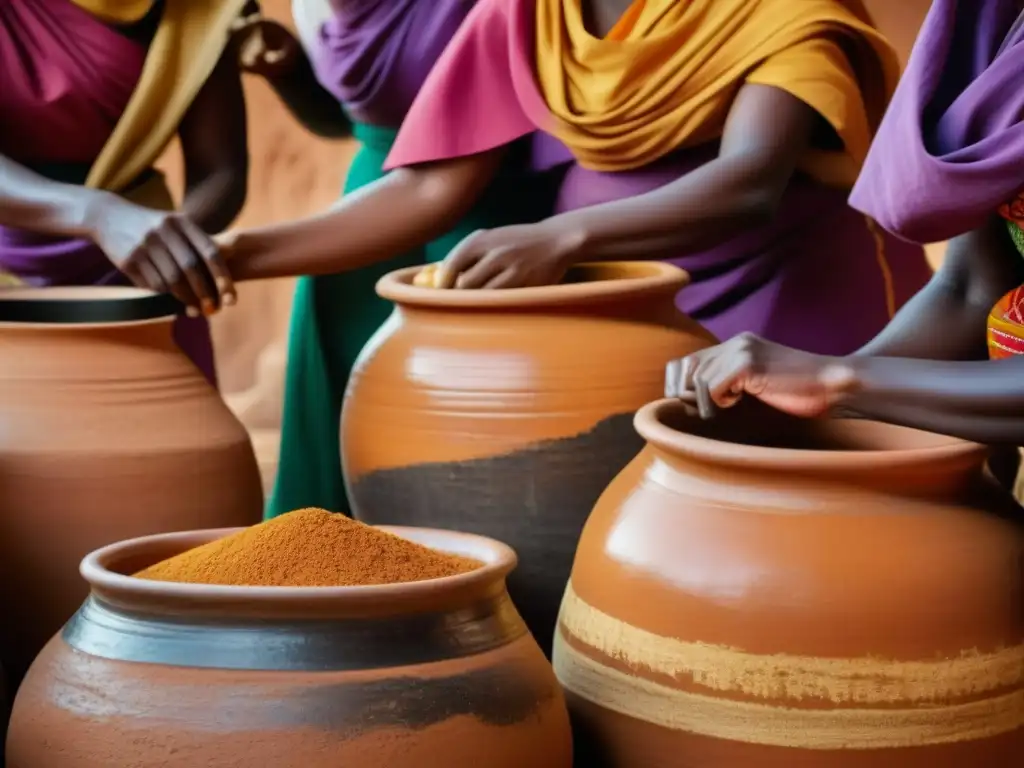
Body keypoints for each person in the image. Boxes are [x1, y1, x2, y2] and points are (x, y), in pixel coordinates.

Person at [217, 0, 932, 360]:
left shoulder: (779, 9)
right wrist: (234, 255)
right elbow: (429, 188)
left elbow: (749, 182)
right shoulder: (533, 10)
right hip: (607, 321)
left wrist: (563, 235)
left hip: (790, 314)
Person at [665, 0, 1024, 500]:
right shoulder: (991, 20)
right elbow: (970, 290)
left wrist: (841, 381)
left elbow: (748, 182)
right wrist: (812, 401)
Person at [230, 0, 554, 518]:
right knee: (348, 426)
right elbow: (347, 119)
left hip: (487, 211)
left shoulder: (496, 10)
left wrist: (240, 253)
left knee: (460, 422)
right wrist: (291, 73)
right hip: (364, 214)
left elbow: (440, 184)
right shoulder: (315, 6)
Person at [0, 0, 248, 385]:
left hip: (144, 270)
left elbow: (220, 170)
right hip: (10, 261)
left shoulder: (201, 9)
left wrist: (170, 247)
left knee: (173, 433)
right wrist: (97, 215)